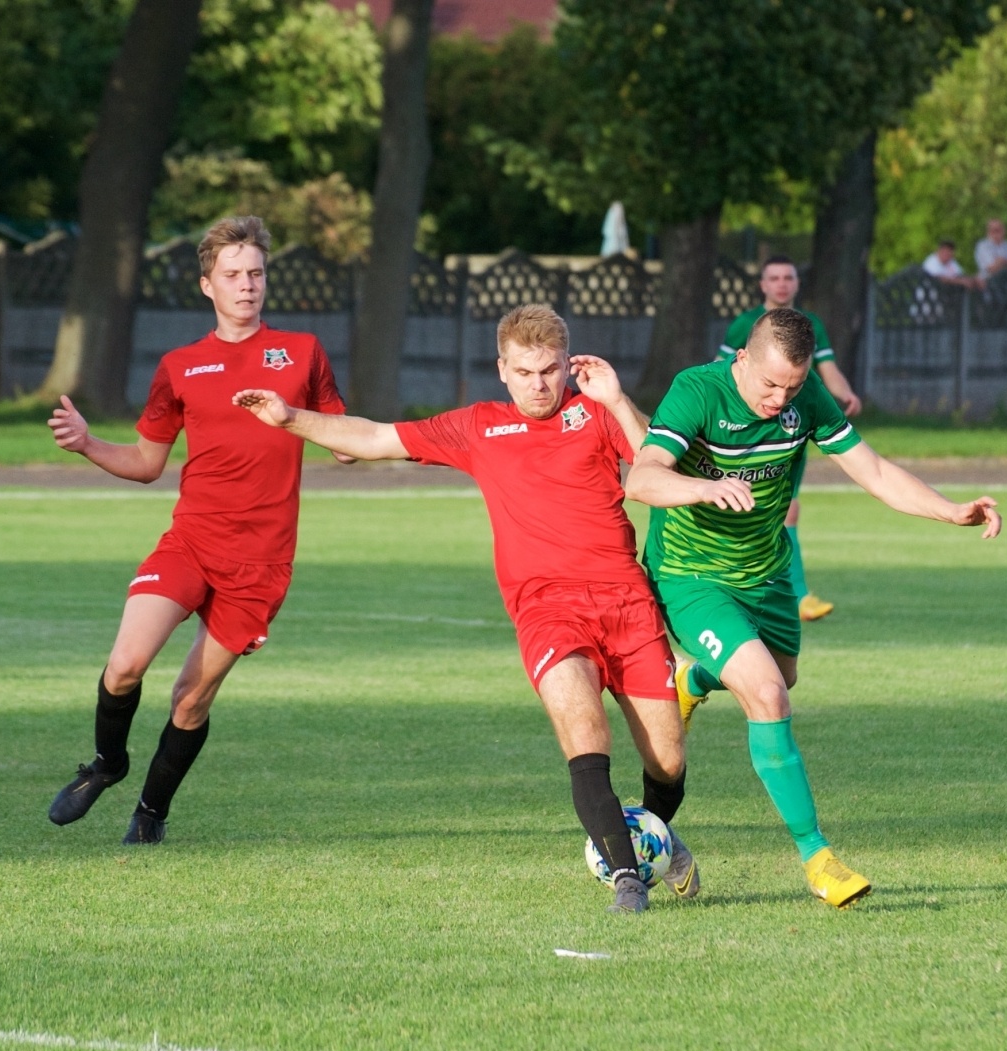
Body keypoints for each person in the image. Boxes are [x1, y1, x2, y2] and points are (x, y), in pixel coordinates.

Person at [232, 304, 697, 914]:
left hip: (627, 603)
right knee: (585, 733)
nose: (539, 384)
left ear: (568, 366)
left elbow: (654, 467)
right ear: (501, 369)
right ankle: (627, 881)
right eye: (525, 371)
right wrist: (290, 417)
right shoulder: (480, 426)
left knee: (666, 761)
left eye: (551, 370)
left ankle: (653, 835)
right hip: (547, 609)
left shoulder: (596, 414)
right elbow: (375, 437)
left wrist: (616, 401)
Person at [627, 307, 1001, 908]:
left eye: (792, 387)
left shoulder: (806, 401)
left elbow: (874, 471)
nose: (779, 399)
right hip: (692, 577)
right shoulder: (699, 390)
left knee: (784, 677)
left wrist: (951, 510)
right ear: (742, 359)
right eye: (769, 384)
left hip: (767, 574)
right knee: (768, 695)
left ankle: (692, 678)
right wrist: (704, 487)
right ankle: (818, 858)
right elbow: (642, 479)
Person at [45, 216, 346, 843]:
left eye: (256, 273)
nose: (247, 285)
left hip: (260, 564)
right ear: (207, 284)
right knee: (125, 664)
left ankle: (151, 813)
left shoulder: (303, 352)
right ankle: (107, 763)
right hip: (191, 541)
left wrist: (422, 442)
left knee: (190, 699)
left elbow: (345, 441)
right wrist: (87, 444)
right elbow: (148, 463)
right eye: (233, 275)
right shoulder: (181, 365)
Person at [718, 255, 862, 622]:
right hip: (747, 435)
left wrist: (844, 396)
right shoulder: (745, 326)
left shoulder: (810, 325)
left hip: (793, 431)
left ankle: (792, 593)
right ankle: (788, 593)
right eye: (774, 278)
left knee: (788, 508)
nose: (782, 283)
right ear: (763, 285)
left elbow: (827, 371)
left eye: (788, 277)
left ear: (797, 283)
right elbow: (721, 374)